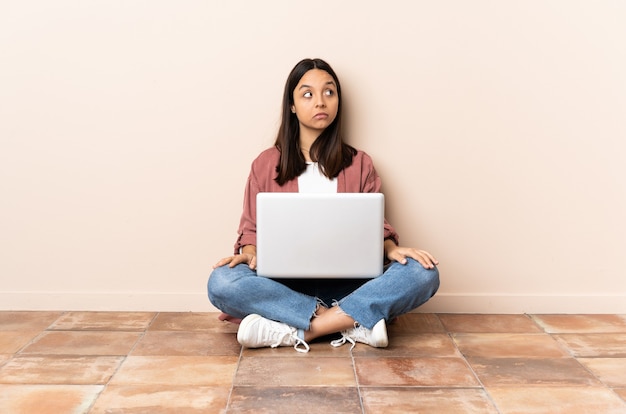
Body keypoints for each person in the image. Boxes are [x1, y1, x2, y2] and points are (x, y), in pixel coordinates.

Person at [208, 58, 439, 353]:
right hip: (283, 287)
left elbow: (373, 227)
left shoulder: (360, 163)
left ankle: (296, 330)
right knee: (221, 281)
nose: (321, 102)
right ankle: (352, 322)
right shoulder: (266, 164)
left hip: (350, 285)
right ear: (291, 105)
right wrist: (248, 255)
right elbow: (251, 230)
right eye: (308, 94)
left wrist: (393, 250)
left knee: (424, 272)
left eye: (329, 93)